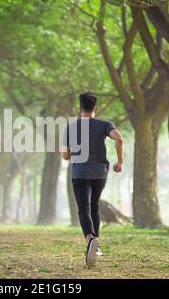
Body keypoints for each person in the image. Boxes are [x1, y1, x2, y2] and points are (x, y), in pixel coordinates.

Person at [61, 92, 124, 267]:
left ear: (79, 109)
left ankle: (90, 239)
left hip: (80, 173)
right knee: (94, 205)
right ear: (95, 109)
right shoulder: (105, 125)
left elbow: (65, 155)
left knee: (83, 208)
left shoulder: (70, 128)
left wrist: (73, 151)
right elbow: (119, 138)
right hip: (99, 174)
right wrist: (120, 162)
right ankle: (96, 246)